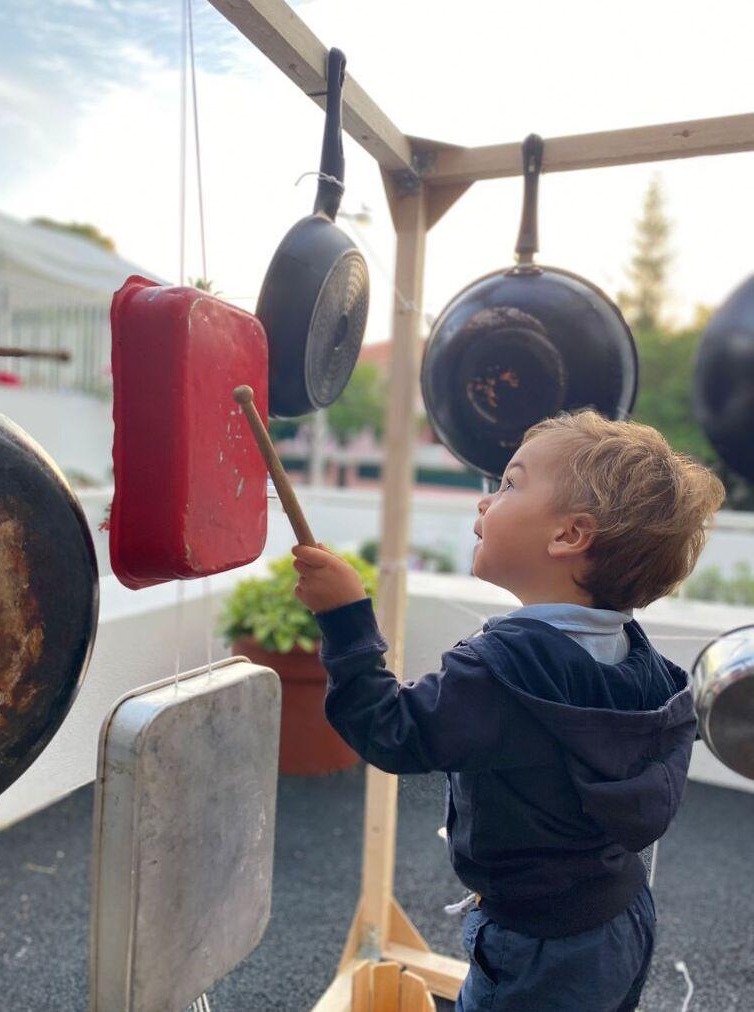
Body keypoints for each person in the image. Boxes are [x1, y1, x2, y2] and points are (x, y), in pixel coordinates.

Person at [291, 408, 726, 1012]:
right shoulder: (644, 662)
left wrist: (344, 618)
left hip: (538, 947)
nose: (483, 504)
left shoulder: (502, 668)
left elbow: (390, 731)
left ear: (569, 536)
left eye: (509, 484)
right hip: (621, 917)